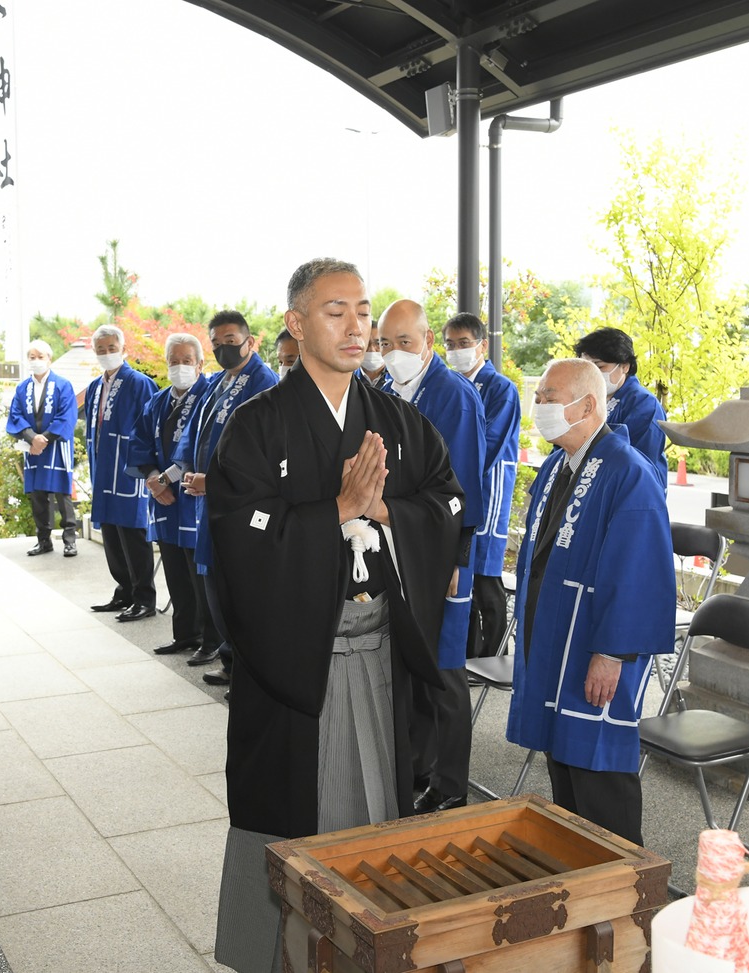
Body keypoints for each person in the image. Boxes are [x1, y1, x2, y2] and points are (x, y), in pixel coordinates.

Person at [207, 258, 464, 973]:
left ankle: (377, 952)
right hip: (297, 663)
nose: (358, 326)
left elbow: (447, 502)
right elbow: (237, 537)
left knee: (384, 812)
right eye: (335, 311)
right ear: (296, 324)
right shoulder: (256, 428)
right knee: (291, 819)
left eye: (363, 310)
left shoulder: (398, 421)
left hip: (380, 654)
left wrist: (385, 508)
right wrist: (337, 512)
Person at [507, 358, 674, 845]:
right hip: (557, 639)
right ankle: (580, 881)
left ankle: (626, 892)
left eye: (549, 398)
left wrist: (612, 654)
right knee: (565, 767)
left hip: (596, 648)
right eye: (538, 398)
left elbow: (639, 573)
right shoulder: (562, 464)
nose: (539, 408)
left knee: (598, 771)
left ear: (588, 405)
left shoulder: (628, 473)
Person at [376, 299, 485, 814]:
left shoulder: (453, 397)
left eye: (404, 342)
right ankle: (416, 767)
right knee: (408, 659)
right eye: (385, 344)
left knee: (443, 668)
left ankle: (451, 783)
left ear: (426, 342)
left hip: (441, 553)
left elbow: (464, 488)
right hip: (393, 544)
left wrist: (457, 559)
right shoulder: (380, 391)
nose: (394, 353)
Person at [172, 310, 278, 680]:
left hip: (241, 508)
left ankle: (250, 673)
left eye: (231, 342)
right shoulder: (218, 382)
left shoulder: (264, 383)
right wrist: (180, 471)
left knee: (240, 593)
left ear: (251, 341)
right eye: (216, 343)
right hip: (212, 505)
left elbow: (259, 454)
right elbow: (195, 435)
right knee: (217, 587)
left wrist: (212, 482)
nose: (223, 349)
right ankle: (232, 662)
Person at [442, 312, 520, 659]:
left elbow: (487, 445)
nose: (456, 351)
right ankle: (470, 652)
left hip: (488, 491)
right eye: (450, 345)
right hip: (456, 490)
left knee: (487, 577)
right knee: (464, 577)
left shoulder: (500, 388)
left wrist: (445, 471)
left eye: (463, 344)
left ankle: (494, 653)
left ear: (482, 346)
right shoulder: (449, 385)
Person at [130, 333, 212, 657]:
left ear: (200, 364)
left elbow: (196, 448)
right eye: (173, 361)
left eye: (186, 361)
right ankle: (185, 634)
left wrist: (167, 479)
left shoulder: (209, 397)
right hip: (164, 498)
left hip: (195, 496)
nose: (180, 367)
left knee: (200, 573)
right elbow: (138, 444)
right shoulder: (158, 401)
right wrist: (153, 478)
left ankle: (211, 640)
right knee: (175, 571)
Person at [80, 324, 159, 619]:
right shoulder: (94, 387)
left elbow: (151, 426)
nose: (106, 354)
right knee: (111, 532)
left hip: (129, 471)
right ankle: (123, 591)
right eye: (101, 350)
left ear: (124, 349)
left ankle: (144, 598)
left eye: (112, 349)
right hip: (103, 467)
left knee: (133, 532)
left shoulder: (139, 383)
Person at [7, 340, 80, 556]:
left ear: (49, 358)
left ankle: (69, 540)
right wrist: (31, 438)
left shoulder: (62, 384)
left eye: (40, 356)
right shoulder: (22, 388)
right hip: (33, 448)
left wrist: (44, 438)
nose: (36, 361)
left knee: (62, 492)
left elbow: (67, 415)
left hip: (56, 445)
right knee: (38, 496)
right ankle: (44, 540)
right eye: (32, 357)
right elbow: (16, 415)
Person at [575, 327, 669, 486]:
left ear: (625, 366)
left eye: (599, 366)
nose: (592, 374)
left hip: (629, 491)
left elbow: (638, 464)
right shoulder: (585, 400)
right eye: (587, 367)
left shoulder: (644, 405)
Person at [360, 322, 390, 390]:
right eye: (366, 343)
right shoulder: (348, 378)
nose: (372, 350)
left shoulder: (397, 378)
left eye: (378, 343)